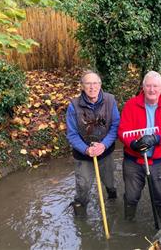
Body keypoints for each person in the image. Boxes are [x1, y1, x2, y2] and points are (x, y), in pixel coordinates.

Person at [118, 71, 161, 221]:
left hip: (159, 161)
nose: (152, 90)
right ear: (143, 87)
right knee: (131, 196)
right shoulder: (131, 105)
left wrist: (156, 138)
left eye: (155, 86)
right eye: (149, 86)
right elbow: (122, 130)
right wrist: (133, 143)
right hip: (133, 160)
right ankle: (128, 222)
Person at [66, 70, 120, 217]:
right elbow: (72, 134)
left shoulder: (110, 100)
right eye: (88, 83)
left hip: (106, 152)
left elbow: (115, 126)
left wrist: (103, 145)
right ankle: (80, 219)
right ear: (82, 86)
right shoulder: (73, 106)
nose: (92, 87)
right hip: (83, 155)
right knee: (83, 186)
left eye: (95, 83)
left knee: (110, 182)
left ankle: (113, 205)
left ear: (100, 85)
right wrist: (86, 150)